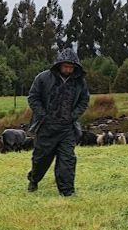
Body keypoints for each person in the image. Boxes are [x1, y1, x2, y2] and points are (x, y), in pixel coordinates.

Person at [26, 48, 90, 196]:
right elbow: (33, 98)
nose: (68, 69)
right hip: (46, 127)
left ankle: (67, 192)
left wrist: (74, 115)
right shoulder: (42, 78)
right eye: (65, 66)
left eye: (71, 67)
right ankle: (34, 179)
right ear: (59, 65)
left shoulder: (80, 82)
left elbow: (84, 100)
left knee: (67, 160)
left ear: (75, 68)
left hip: (67, 128)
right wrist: (43, 114)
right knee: (41, 159)